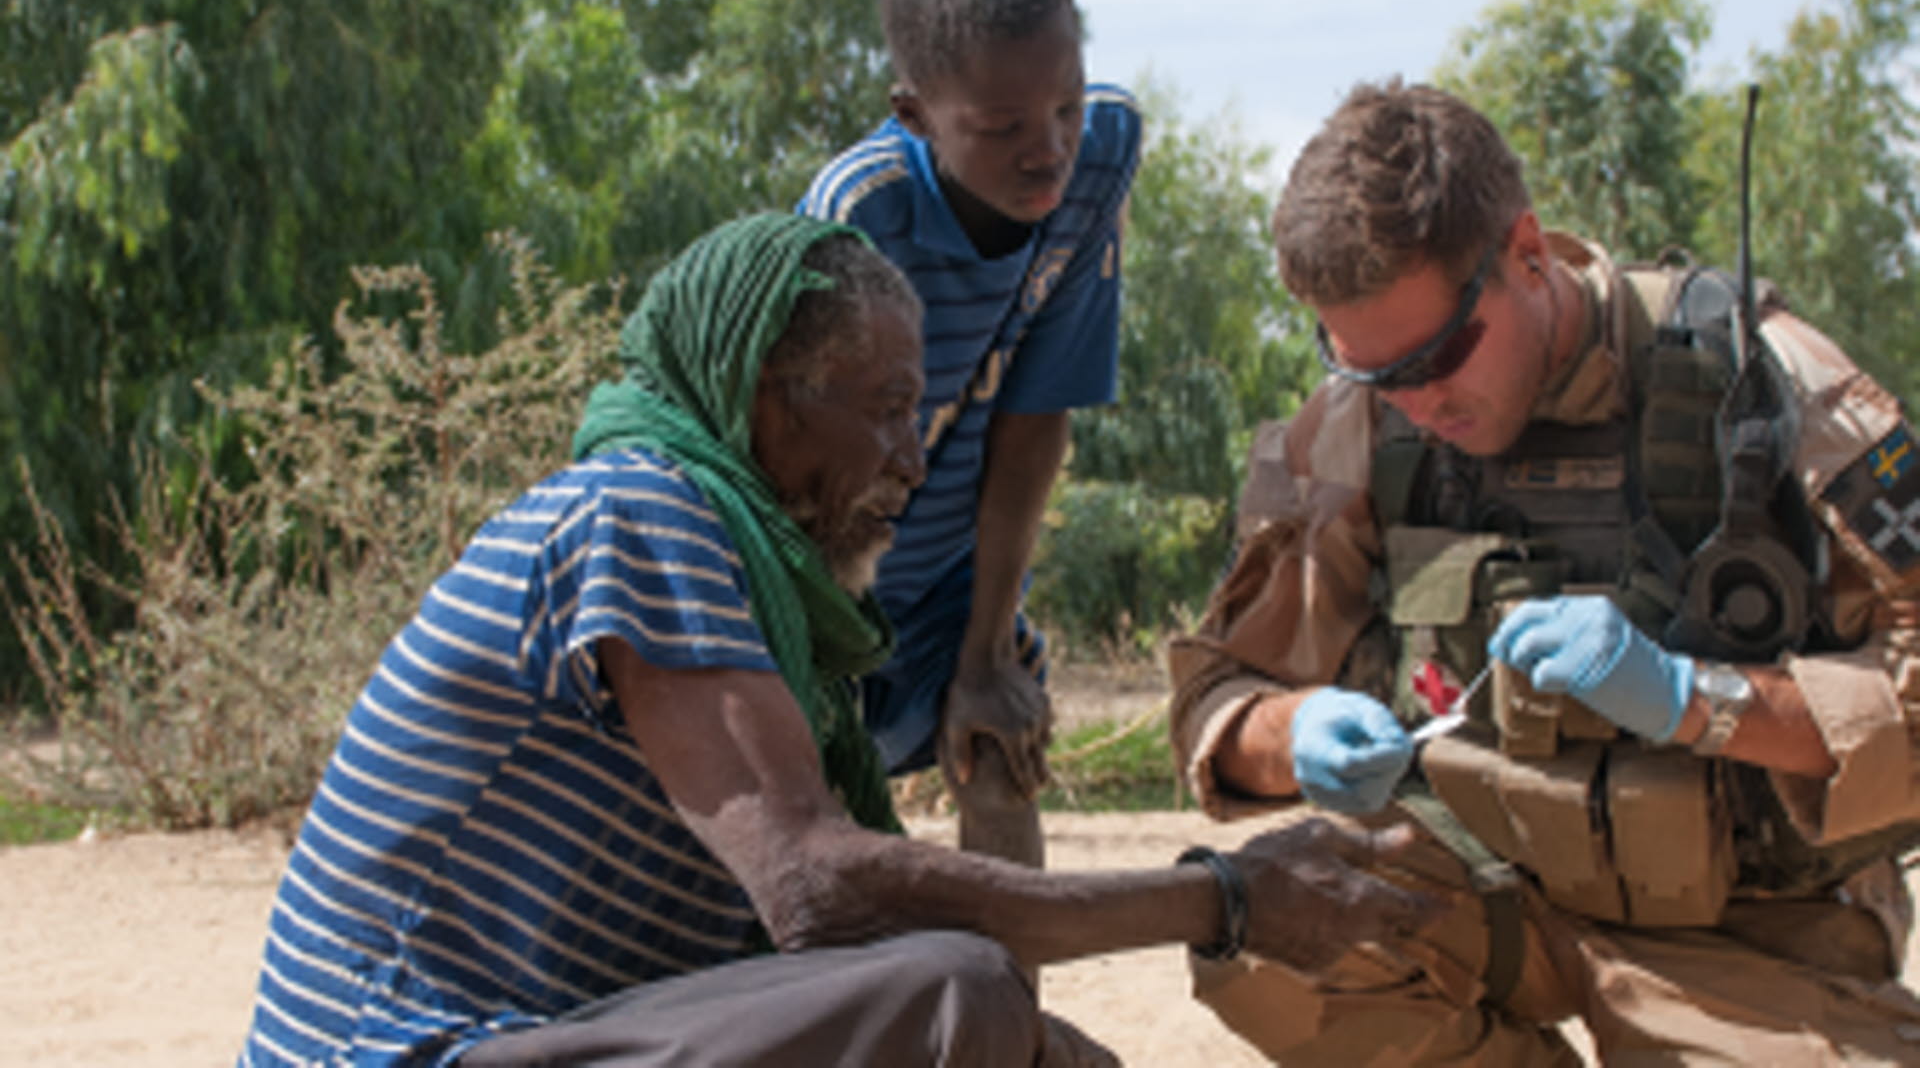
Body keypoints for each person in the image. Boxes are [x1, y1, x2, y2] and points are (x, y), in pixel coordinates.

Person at [235, 212, 1434, 1068]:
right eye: (884, 410)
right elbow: (817, 890)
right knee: (952, 996)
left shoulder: (756, 589)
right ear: (763, 395)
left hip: (522, 1035)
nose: (915, 461)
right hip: (407, 1050)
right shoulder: (642, 514)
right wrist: (1224, 898)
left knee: (986, 1013)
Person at [1167, 79, 1920, 1065]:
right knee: (1263, 936)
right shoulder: (1357, 423)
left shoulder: (1770, 386)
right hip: (1482, 891)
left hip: (1748, 936)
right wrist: (1288, 731)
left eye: (1441, 356)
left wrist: (1700, 698)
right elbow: (1220, 689)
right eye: (1376, 373)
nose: (1418, 403)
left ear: (1526, 254)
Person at [796, 0, 1141, 867]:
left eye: (1066, 104)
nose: (1050, 151)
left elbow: (1035, 414)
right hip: (821, 583)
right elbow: (807, 476)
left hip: (958, 570)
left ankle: (1009, 1005)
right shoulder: (857, 220)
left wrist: (987, 648)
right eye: (1002, 128)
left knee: (1000, 733)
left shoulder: (1102, 158)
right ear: (914, 115)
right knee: (816, 824)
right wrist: (821, 650)